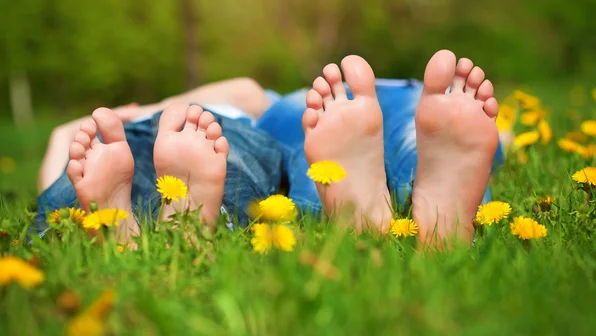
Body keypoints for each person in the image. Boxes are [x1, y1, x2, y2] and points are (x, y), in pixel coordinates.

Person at [35, 50, 504, 248]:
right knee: (408, 150)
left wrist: (71, 145)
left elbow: (67, 137)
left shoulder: (267, 108)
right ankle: (435, 221)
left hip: (264, 125)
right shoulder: (259, 105)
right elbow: (243, 91)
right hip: (280, 121)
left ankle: (145, 234)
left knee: (268, 161)